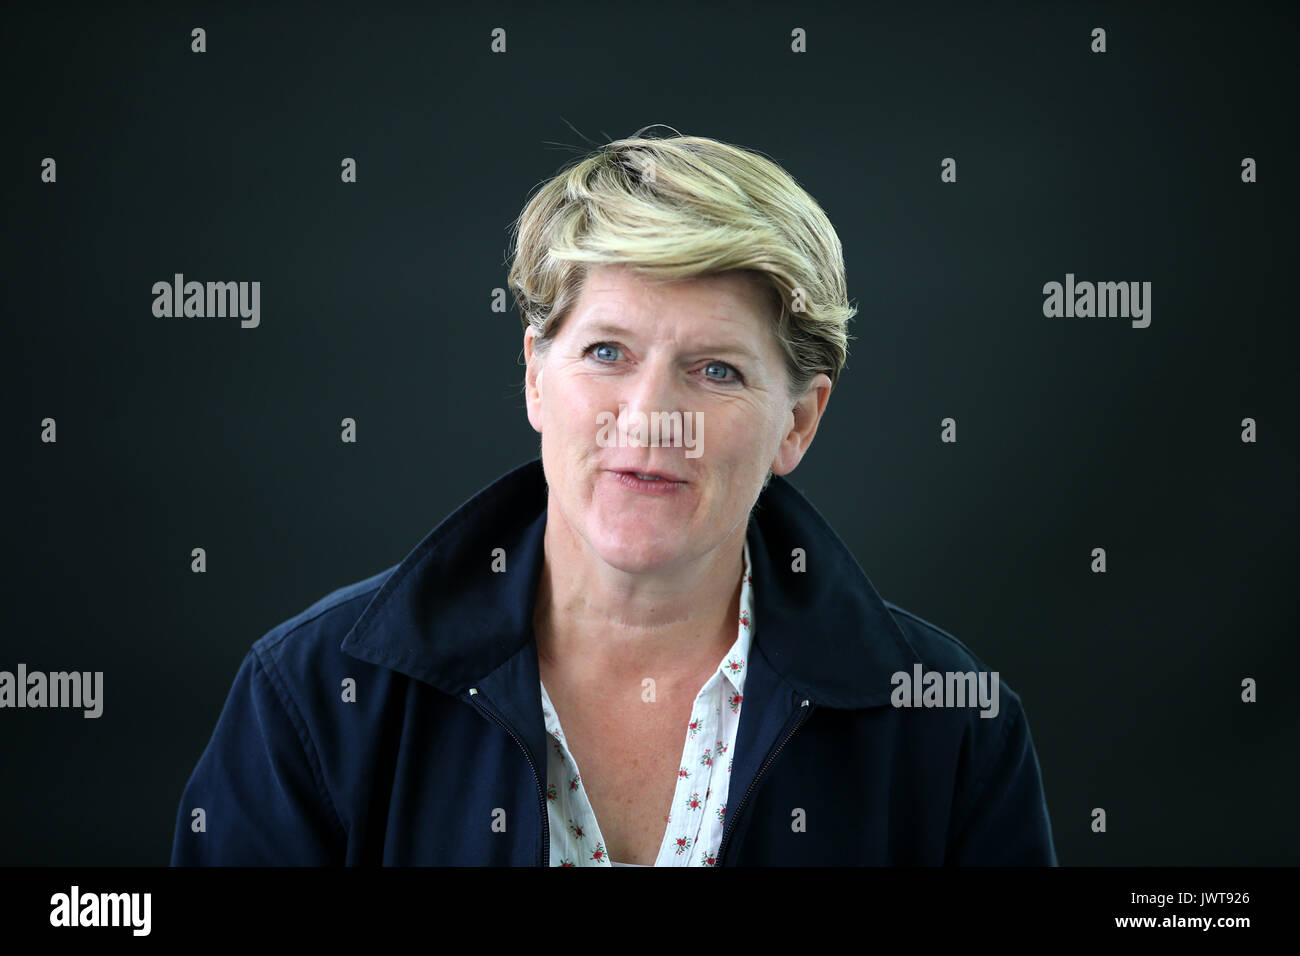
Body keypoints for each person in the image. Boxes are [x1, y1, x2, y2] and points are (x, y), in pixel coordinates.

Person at [171, 129, 1057, 866]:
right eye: (606, 353)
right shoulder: (317, 694)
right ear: (533, 376)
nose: (650, 420)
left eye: (716, 370)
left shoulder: (950, 726)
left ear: (798, 423)